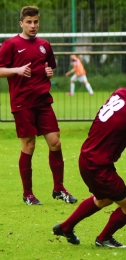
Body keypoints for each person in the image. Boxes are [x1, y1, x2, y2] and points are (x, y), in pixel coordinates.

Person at [52, 67, 126, 248]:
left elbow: (125, 118)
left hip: (87, 157)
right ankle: (103, 239)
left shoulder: (119, 93)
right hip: (99, 166)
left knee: (103, 199)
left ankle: (66, 227)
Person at [0, 6, 77, 205]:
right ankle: (28, 194)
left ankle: (59, 189)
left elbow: (48, 67)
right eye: (29, 22)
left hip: (43, 101)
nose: (33, 26)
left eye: (36, 22)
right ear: (21, 23)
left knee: (55, 142)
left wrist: (49, 73)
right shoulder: (10, 44)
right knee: (29, 145)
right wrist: (16, 70)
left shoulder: (44, 45)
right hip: (22, 103)